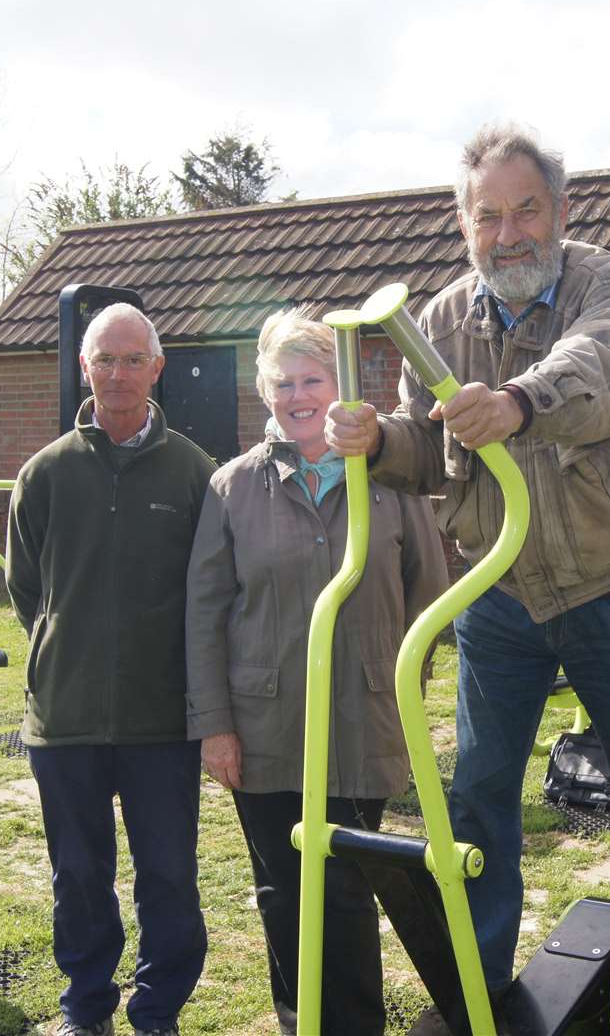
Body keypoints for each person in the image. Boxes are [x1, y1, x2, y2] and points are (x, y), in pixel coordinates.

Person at [326, 122, 610, 1036]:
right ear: (464, 227)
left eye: (526, 209)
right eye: (487, 216)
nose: (509, 233)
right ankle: (476, 975)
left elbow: (606, 366)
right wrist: (381, 442)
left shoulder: (605, 281)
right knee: (477, 795)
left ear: (560, 210)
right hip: (496, 595)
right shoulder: (445, 318)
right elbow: (428, 446)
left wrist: (518, 402)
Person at [185, 307, 447, 1036]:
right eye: (282, 384)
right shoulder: (233, 488)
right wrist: (214, 728)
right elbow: (203, 618)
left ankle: (353, 1026)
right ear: (264, 395)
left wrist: (394, 689)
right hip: (264, 726)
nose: (298, 397)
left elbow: (429, 596)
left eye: (312, 380)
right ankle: (301, 1021)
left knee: (343, 886)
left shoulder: (388, 483)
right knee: (283, 889)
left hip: (359, 720)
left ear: (341, 387)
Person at [6, 303, 215, 1036]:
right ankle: (84, 1008)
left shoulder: (196, 474)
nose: (118, 374)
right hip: (64, 718)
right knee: (79, 879)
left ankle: (156, 1012)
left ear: (156, 368)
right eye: (104, 359)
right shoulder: (44, 475)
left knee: (166, 876)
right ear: (82, 367)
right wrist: (67, 648)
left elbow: (212, 590)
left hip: (163, 719)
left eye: (133, 360)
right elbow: (27, 590)